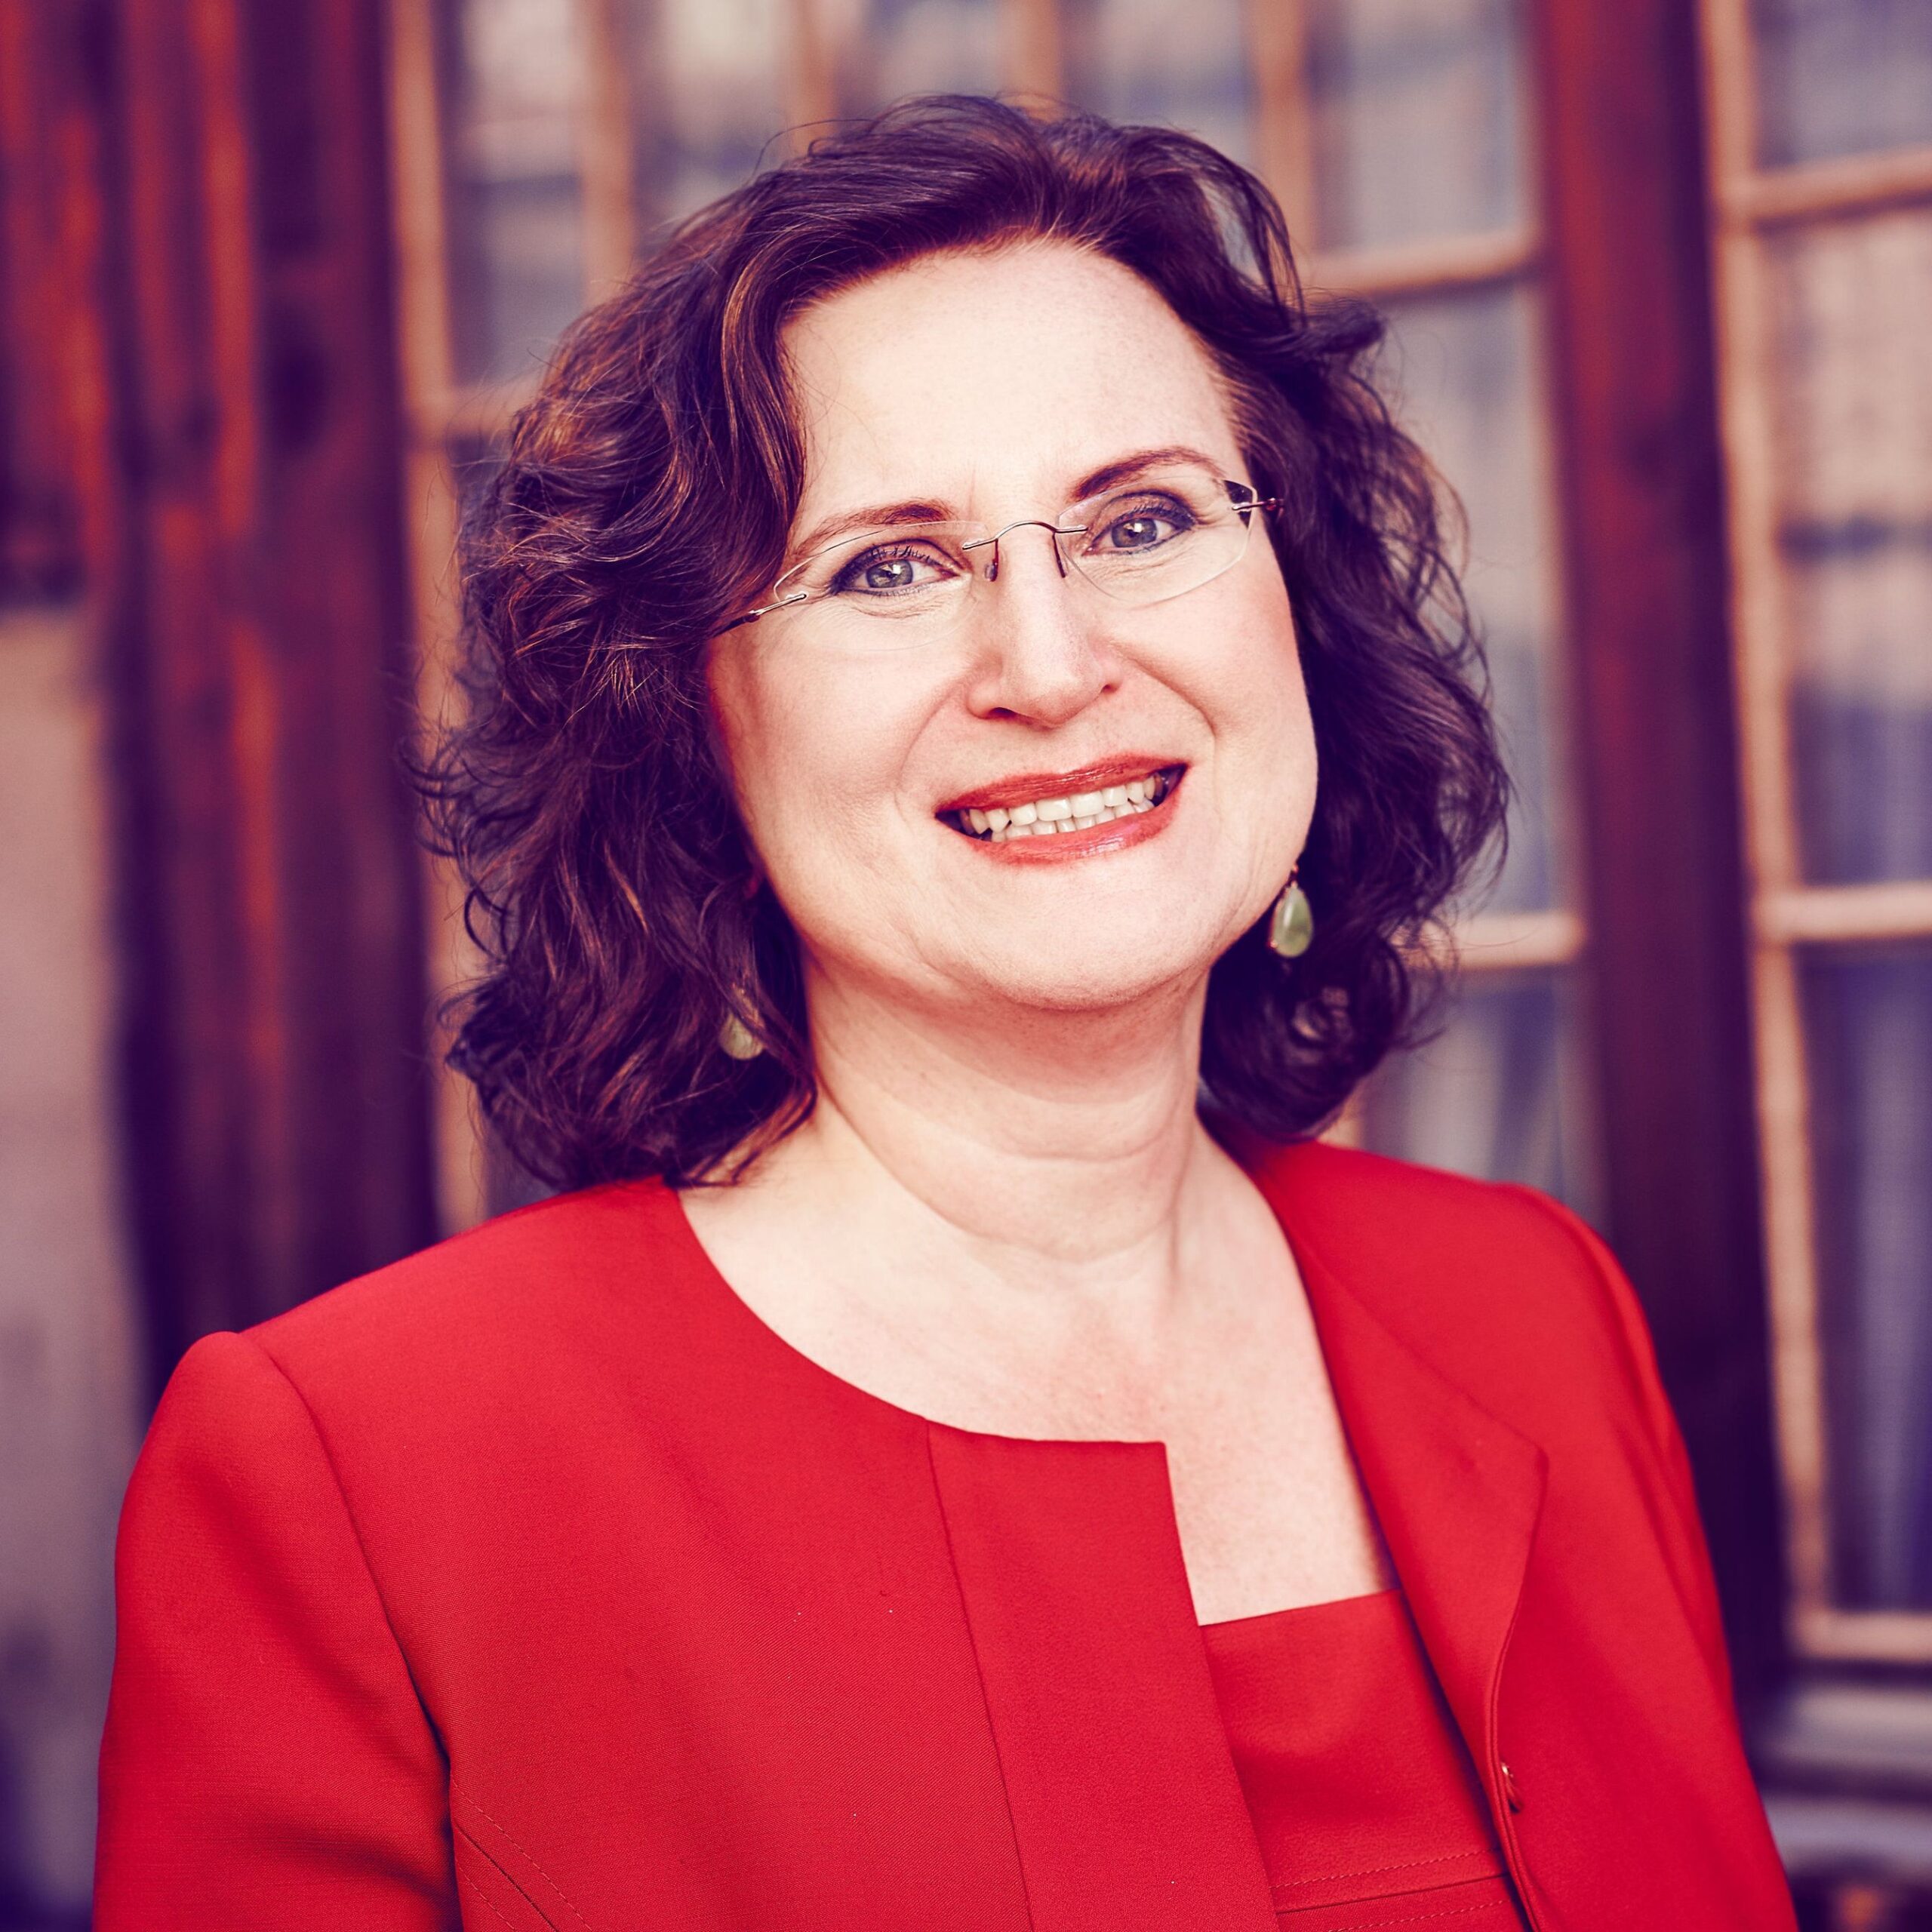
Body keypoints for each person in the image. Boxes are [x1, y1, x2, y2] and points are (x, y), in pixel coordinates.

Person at [94, 96, 1796, 1930]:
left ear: (1294, 614)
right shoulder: (364, 1467)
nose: (1049, 665)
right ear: (693, 728)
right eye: (886, 566)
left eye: (1141, 518)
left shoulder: (1535, 1313)